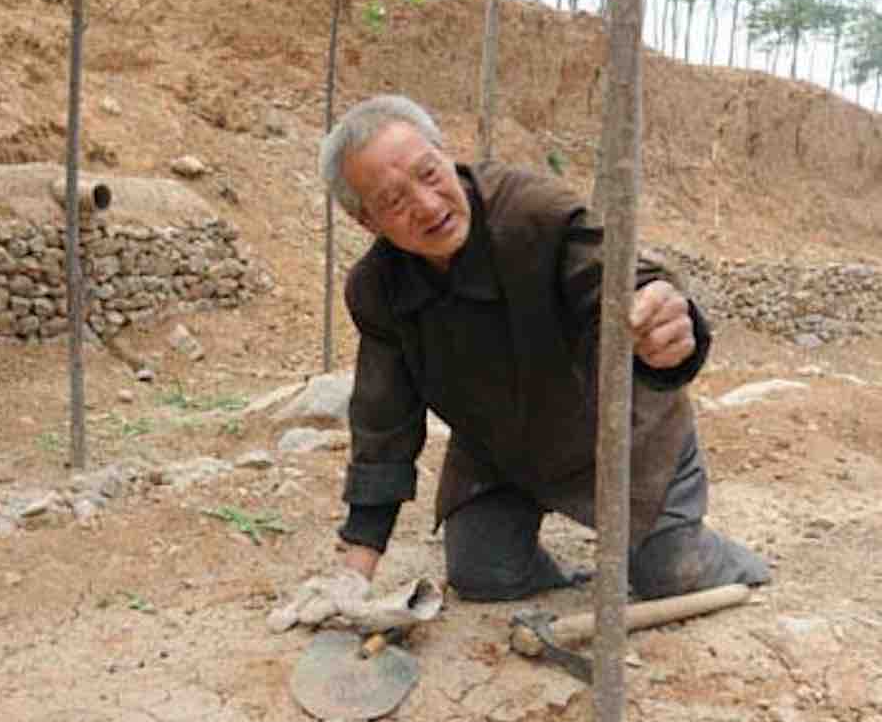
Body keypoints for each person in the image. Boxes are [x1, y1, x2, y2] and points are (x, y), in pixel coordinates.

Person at [276, 93, 769, 628]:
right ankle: (562, 575)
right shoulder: (377, 290)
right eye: (394, 201)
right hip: (501, 454)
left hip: (618, 432)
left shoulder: (535, 211)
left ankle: (740, 564)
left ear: (446, 155)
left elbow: (617, 283)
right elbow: (383, 422)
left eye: (429, 173)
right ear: (366, 222)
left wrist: (665, 326)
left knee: (669, 573)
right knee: (483, 573)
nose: (427, 204)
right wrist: (355, 569)